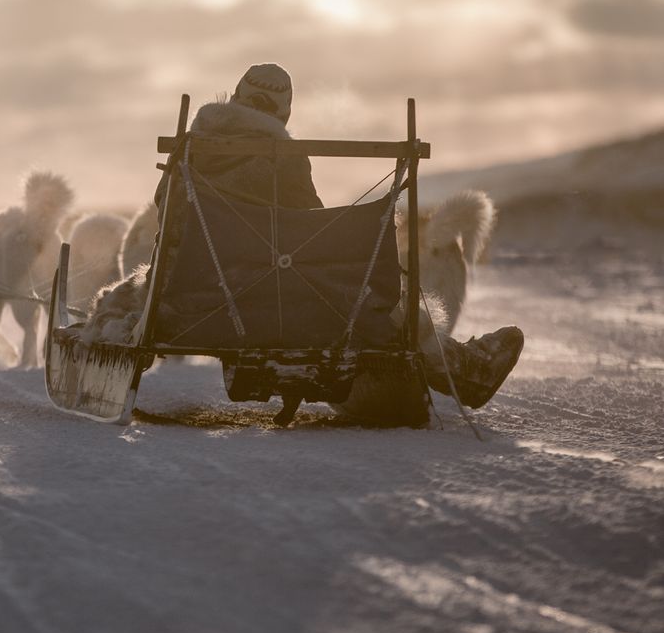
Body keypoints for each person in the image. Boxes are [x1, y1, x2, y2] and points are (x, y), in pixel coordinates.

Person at [125, 63, 523, 414]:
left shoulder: (190, 151)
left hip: (184, 304)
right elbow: (311, 237)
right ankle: (465, 370)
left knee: (130, 293)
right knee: (367, 302)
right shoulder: (288, 160)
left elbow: (169, 218)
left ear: (233, 99)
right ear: (285, 114)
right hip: (274, 304)